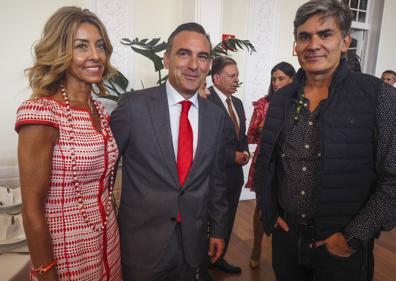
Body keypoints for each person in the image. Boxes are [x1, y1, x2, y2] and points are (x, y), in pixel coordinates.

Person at [254, 1, 396, 281]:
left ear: (345, 42)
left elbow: (393, 178)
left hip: (341, 248)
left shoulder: (380, 97)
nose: (313, 44)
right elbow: (267, 162)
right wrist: (269, 212)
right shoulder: (281, 99)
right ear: (295, 44)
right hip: (287, 240)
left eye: (325, 34)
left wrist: (354, 237)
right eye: (304, 36)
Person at [110, 22, 228, 281]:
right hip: (143, 245)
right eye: (184, 53)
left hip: (193, 245)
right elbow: (103, 172)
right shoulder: (133, 108)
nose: (193, 65)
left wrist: (218, 229)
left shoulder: (216, 118)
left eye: (203, 56)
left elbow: (216, 180)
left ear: (209, 65)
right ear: (166, 59)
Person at [16, 7, 121, 281]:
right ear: (60, 52)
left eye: (99, 45)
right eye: (81, 46)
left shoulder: (99, 110)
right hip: (65, 251)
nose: (95, 56)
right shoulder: (41, 113)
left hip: (107, 241)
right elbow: (31, 209)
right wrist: (46, 272)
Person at [198, 56, 249, 277]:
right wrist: (233, 156)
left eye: (237, 75)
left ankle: (218, 259)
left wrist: (245, 152)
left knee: (227, 219)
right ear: (216, 78)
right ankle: (201, 265)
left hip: (234, 176)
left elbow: (242, 134)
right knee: (207, 221)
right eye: (232, 76)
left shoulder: (236, 103)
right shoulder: (204, 101)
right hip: (212, 175)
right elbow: (204, 143)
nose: (237, 80)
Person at [245, 62, 295, 269]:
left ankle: (286, 253)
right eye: (273, 78)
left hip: (291, 163)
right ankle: (257, 247)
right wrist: (263, 129)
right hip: (265, 161)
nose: (276, 83)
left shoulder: (300, 103)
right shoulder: (263, 104)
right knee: (262, 207)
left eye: (281, 78)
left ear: (292, 80)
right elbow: (251, 135)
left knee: (288, 209)